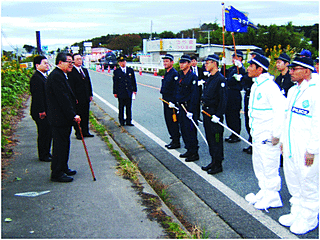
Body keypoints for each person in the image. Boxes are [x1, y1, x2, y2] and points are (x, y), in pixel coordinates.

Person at [278, 57, 319, 235]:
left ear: (307, 71)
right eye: (291, 68)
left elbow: (318, 123)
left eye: (295, 69)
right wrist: (282, 141)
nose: (291, 71)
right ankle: (297, 212)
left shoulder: (315, 92)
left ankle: (310, 218)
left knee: (308, 182)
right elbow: (287, 118)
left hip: (306, 147)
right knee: (293, 180)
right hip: (290, 144)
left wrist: (312, 150)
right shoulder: (293, 91)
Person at [245, 54, 286, 210]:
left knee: (269, 166)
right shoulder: (256, 85)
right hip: (257, 134)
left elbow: (281, 111)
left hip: (268, 135)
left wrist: (276, 135)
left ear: (259, 69)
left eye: (251, 66)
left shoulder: (270, 87)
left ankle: (273, 196)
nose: (247, 68)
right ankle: (264, 191)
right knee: (259, 164)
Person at [46, 53, 81, 183]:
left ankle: (63, 167)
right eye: (69, 62)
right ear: (60, 63)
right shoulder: (56, 77)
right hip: (58, 118)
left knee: (65, 144)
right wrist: (73, 115)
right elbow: (63, 99)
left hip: (63, 118)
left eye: (72, 62)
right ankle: (57, 172)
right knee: (59, 146)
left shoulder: (61, 75)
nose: (71, 65)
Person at [201, 54, 227, 174]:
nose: (205, 65)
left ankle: (218, 164)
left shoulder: (220, 79)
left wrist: (218, 114)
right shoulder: (210, 78)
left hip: (214, 114)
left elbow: (223, 100)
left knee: (216, 140)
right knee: (210, 139)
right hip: (207, 113)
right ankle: (213, 161)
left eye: (208, 63)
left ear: (214, 63)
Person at [175, 55, 200, 162]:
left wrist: (191, 111)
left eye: (184, 63)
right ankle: (188, 149)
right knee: (183, 129)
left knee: (190, 131)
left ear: (189, 64)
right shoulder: (181, 76)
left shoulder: (193, 77)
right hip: (181, 107)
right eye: (180, 62)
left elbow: (195, 95)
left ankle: (194, 152)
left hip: (189, 107)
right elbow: (178, 90)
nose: (181, 65)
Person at [241, 49, 265, 154]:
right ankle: (252, 142)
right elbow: (245, 78)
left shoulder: (268, 86)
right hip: (249, 97)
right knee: (248, 121)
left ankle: (255, 144)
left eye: (254, 55)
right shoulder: (256, 83)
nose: (248, 68)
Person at [30, 55, 52, 162]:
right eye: (45, 63)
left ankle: (47, 152)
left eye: (47, 63)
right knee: (43, 132)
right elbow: (37, 96)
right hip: (40, 111)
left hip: (46, 110)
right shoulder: (36, 78)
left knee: (48, 132)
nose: (47, 65)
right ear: (37, 65)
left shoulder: (43, 76)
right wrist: (41, 110)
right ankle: (43, 154)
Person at [68, 53, 94, 139]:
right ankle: (79, 133)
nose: (79, 61)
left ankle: (86, 131)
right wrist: (74, 98)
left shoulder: (84, 70)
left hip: (86, 97)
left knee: (85, 114)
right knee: (78, 115)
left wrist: (90, 94)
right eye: (77, 59)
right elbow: (71, 86)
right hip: (77, 98)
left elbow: (88, 83)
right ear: (73, 61)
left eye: (80, 59)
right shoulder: (71, 72)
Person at [222, 50, 246, 143]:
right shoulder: (232, 69)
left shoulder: (240, 69)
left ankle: (236, 134)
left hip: (235, 93)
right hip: (228, 93)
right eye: (233, 57)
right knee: (228, 115)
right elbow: (224, 75)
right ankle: (232, 133)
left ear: (240, 59)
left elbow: (244, 75)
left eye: (236, 57)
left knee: (234, 115)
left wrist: (240, 67)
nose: (233, 59)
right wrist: (222, 66)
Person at [160, 54, 181, 149]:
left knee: (173, 122)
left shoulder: (174, 74)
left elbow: (176, 89)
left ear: (172, 62)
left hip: (171, 103)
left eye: (167, 61)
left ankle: (176, 141)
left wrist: (173, 102)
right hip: (165, 100)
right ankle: (173, 139)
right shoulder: (167, 73)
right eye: (164, 61)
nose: (165, 63)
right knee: (168, 121)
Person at [113, 55, 137, 126]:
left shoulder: (130, 70)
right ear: (119, 63)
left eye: (124, 61)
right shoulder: (116, 71)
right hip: (121, 92)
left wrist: (134, 90)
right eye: (121, 62)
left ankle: (129, 120)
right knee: (121, 107)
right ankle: (121, 121)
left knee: (129, 107)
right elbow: (115, 83)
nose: (123, 63)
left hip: (129, 91)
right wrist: (115, 92)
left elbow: (133, 81)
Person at [191, 55, 205, 123]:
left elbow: (203, 78)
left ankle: (198, 116)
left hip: (198, 88)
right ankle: (192, 115)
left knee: (198, 102)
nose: (193, 62)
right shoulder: (189, 70)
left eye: (194, 61)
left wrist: (201, 81)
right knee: (191, 102)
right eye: (192, 61)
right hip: (191, 89)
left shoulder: (200, 69)